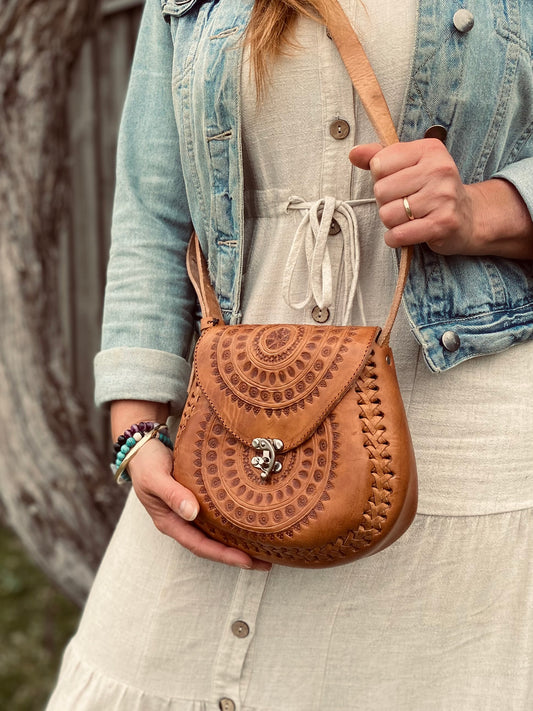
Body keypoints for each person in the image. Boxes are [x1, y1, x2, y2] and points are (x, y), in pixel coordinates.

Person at [47, 0, 533, 708]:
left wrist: (485, 208)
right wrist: (134, 426)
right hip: (230, 440)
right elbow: (153, 209)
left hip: (459, 447)